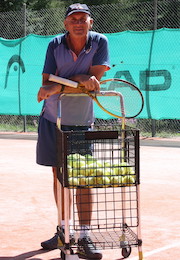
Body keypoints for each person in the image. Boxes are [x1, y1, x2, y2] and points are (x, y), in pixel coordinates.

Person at [36, 3, 110, 259]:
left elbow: (93, 84)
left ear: (91, 22)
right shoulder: (54, 45)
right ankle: (63, 231)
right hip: (52, 120)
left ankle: (85, 235)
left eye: (83, 19)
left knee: (83, 178)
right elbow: (46, 84)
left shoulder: (100, 42)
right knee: (60, 178)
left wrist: (64, 83)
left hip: (81, 122)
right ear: (66, 24)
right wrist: (79, 79)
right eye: (73, 19)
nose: (78, 23)